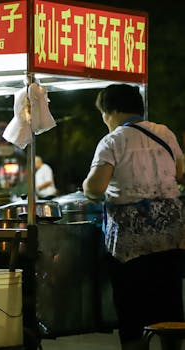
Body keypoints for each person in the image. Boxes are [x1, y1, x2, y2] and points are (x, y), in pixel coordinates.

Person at [83, 84, 185, 350]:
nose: (105, 121)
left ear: (113, 111)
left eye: (104, 115)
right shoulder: (164, 132)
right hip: (170, 237)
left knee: (132, 310)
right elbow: (180, 171)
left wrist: (86, 188)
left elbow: (96, 188)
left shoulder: (113, 140)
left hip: (131, 244)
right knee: (169, 305)